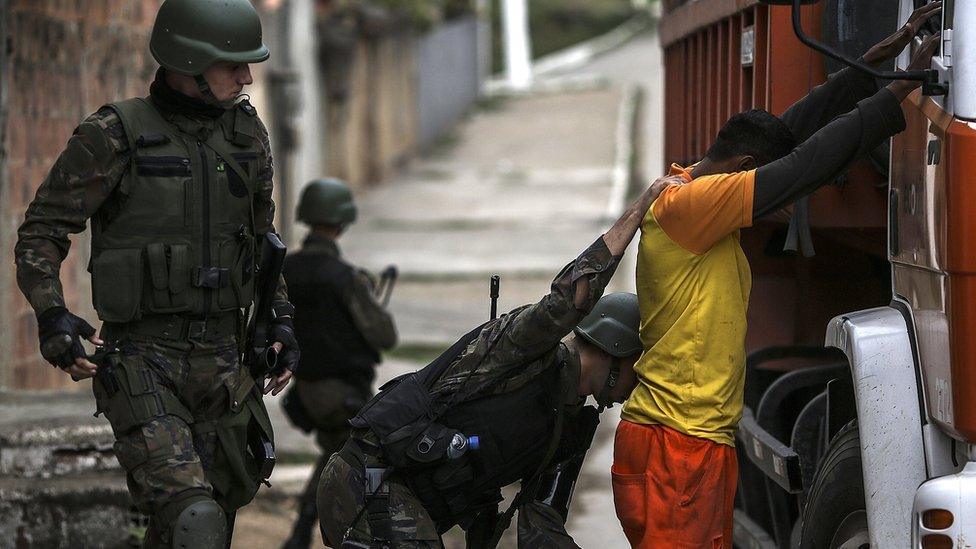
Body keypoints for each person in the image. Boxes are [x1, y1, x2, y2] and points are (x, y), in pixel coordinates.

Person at [611, 4, 943, 548]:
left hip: (692, 444)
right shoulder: (687, 206)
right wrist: (896, 97)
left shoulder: (693, 188)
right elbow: (800, 166)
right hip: (676, 447)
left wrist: (865, 72)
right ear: (740, 171)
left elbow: (787, 137)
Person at [13, 0, 300, 546]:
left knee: (204, 522)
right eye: (232, 65)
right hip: (144, 364)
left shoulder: (247, 135)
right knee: (196, 522)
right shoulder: (114, 133)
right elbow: (42, 232)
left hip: (225, 366)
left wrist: (280, 322)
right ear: (188, 62)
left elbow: (263, 245)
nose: (246, 76)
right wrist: (53, 315)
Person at [317, 174, 679, 549]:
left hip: (407, 504)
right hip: (367, 481)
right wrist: (639, 211)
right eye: (639, 370)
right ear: (615, 350)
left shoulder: (570, 429)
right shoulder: (524, 351)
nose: (638, 386)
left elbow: (542, 527)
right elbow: (569, 301)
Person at [282, 178, 398, 548]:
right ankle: (368, 532)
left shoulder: (285, 271)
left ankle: (303, 528)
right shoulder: (345, 278)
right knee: (380, 455)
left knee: (336, 452)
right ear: (342, 222)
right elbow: (385, 336)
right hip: (343, 396)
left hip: (304, 392)